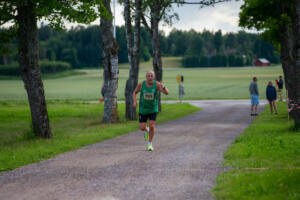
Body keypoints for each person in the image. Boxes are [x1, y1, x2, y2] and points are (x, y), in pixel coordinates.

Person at [133, 70, 169, 151]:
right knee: (142, 128)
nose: (150, 77)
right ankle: (147, 130)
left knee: (152, 125)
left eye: (151, 76)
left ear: (154, 77)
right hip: (143, 109)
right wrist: (135, 101)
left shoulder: (157, 85)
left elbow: (167, 93)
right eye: (148, 76)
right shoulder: (141, 84)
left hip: (153, 108)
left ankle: (150, 144)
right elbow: (134, 92)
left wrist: (163, 87)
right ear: (146, 77)